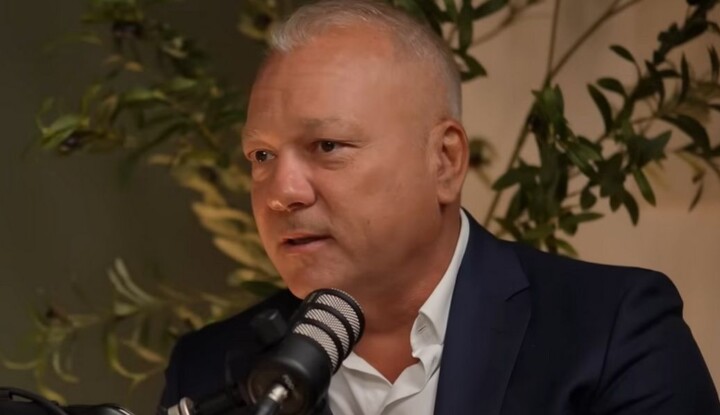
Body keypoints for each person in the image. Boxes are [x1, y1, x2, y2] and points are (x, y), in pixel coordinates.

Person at [159, 1, 720, 414]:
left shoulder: (612, 331)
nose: (282, 192)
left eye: (327, 146)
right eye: (260, 156)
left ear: (445, 161)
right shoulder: (210, 370)